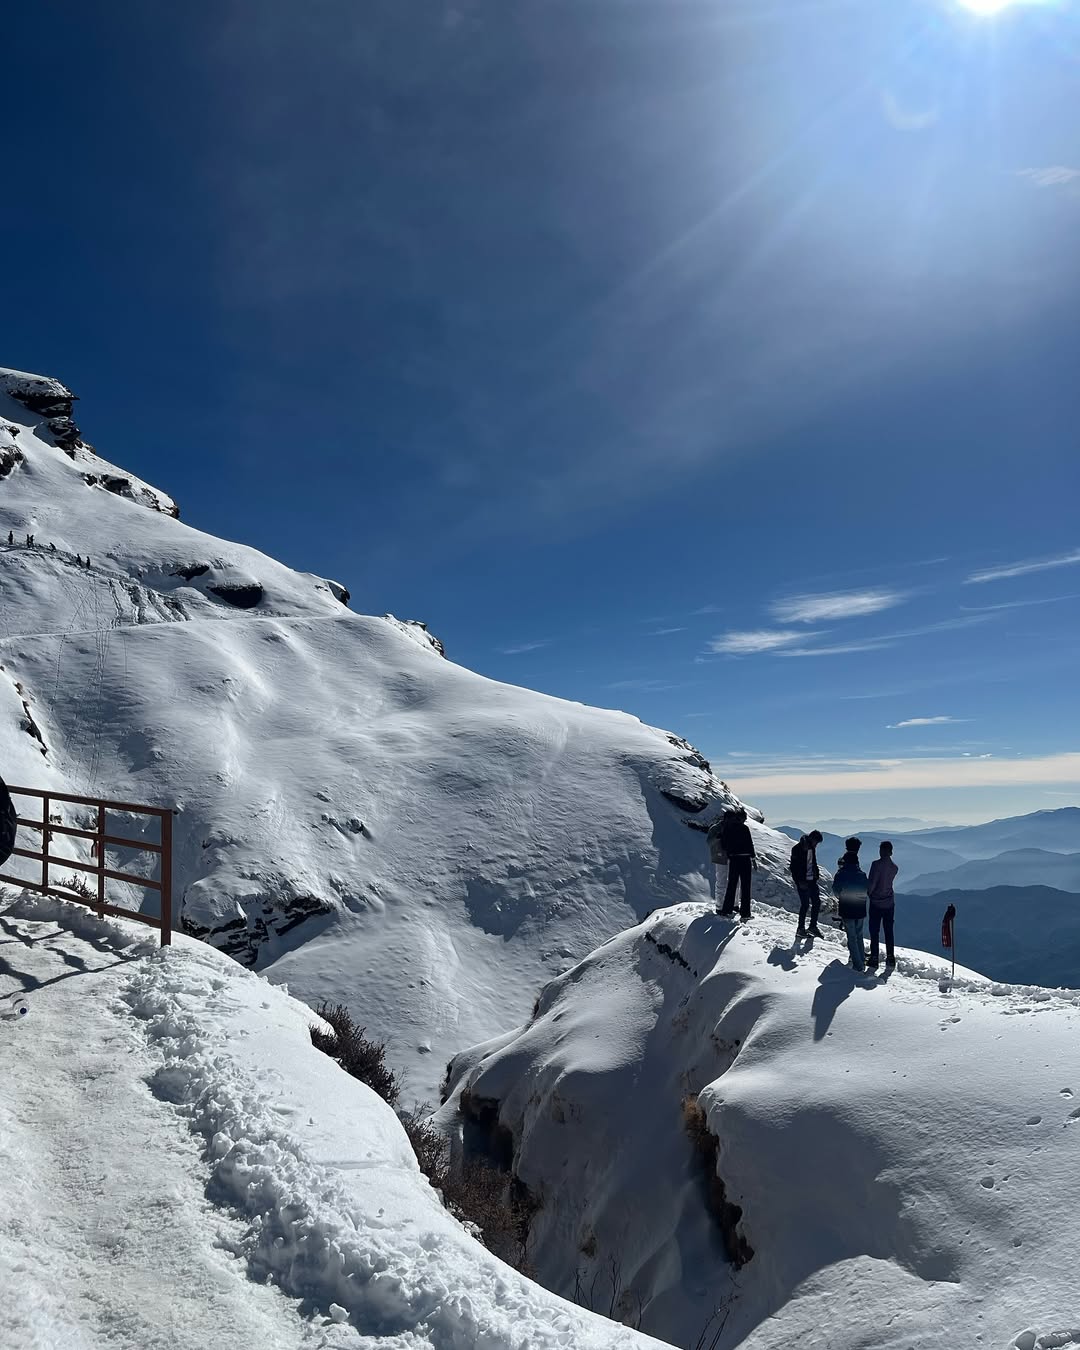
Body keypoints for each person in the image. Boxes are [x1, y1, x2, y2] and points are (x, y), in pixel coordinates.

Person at [832, 841, 868, 972]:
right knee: (859, 935)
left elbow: (836, 891)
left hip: (847, 908)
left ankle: (858, 966)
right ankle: (861, 960)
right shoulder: (862, 875)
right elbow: (867, 889)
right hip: (860, 908)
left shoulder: (841, 874)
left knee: (851, 937)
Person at [720, 807, 756, 921]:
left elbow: (724, 844)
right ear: (742, 818)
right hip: (745, 859)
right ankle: (745, 913)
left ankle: (726, 910)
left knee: (732, 885)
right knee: (746, 886)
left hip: (734, 859)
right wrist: (753, 858)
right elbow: (750, 844)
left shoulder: (727, 828)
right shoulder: (745, 828)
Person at [867, 840, 898, 969]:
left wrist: (869, 893)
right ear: (891, 852)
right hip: (889, 902)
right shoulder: (895, 867)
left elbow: (872, 883)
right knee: (888, 930)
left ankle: (874, 958)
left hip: (876, 902)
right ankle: (890, 957)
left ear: (881, 851)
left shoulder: (876, 865)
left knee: (874, 930)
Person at [789, 829, 824, 939]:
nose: (816, 845)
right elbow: (794, 868)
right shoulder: (797, 849)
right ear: (812, 839)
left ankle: (812, 926)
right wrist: (799, 882)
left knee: (816, 903)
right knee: (805, 905)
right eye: (816, 842)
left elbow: (813, 863)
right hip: (803, 881)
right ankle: (800, 929)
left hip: (811, 880)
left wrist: (816, 874)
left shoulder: (811, 849)